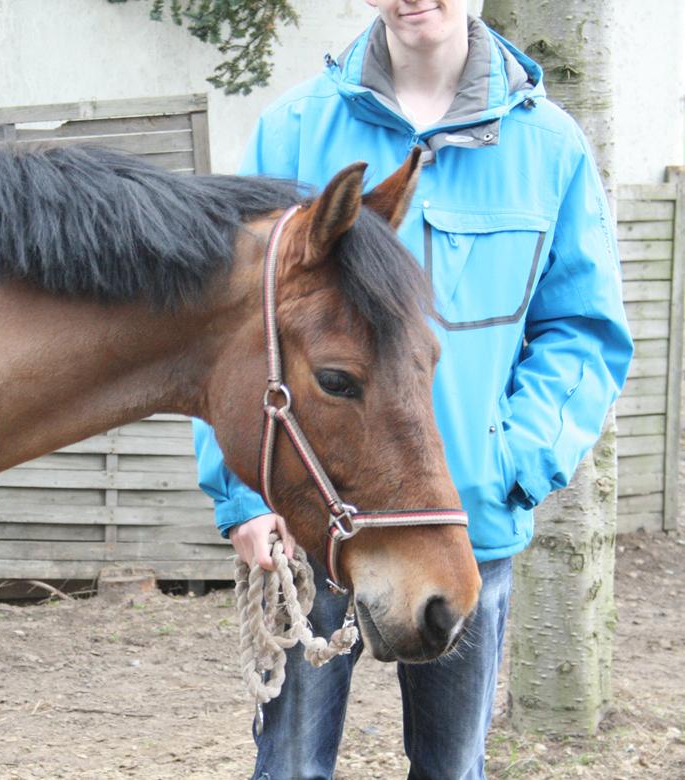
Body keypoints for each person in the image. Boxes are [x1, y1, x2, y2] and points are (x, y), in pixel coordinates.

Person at [192, 1, 634, 778]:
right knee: (289, 769)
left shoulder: (550, 149)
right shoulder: (292, 130)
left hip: (460, 525)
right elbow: (225, 325)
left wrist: (512, 466)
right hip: (312, 523)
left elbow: (583, 331)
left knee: (451, 770)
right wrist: (246, 498)